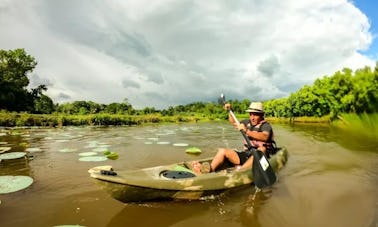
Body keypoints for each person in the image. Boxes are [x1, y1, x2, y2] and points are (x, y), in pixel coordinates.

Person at [209, 101, 276, 172]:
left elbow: (264, 137)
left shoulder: (266, 126)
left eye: (255, 115)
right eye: (251, 114)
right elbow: (234, 122)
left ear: (262, 115)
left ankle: (240, 171)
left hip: (262, 157)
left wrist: (247, 131)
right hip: (247, 154)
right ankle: (210, 170)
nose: (252, 118)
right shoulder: (247, 122)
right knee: (222, 151)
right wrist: (230, 111)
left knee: (262, 149)